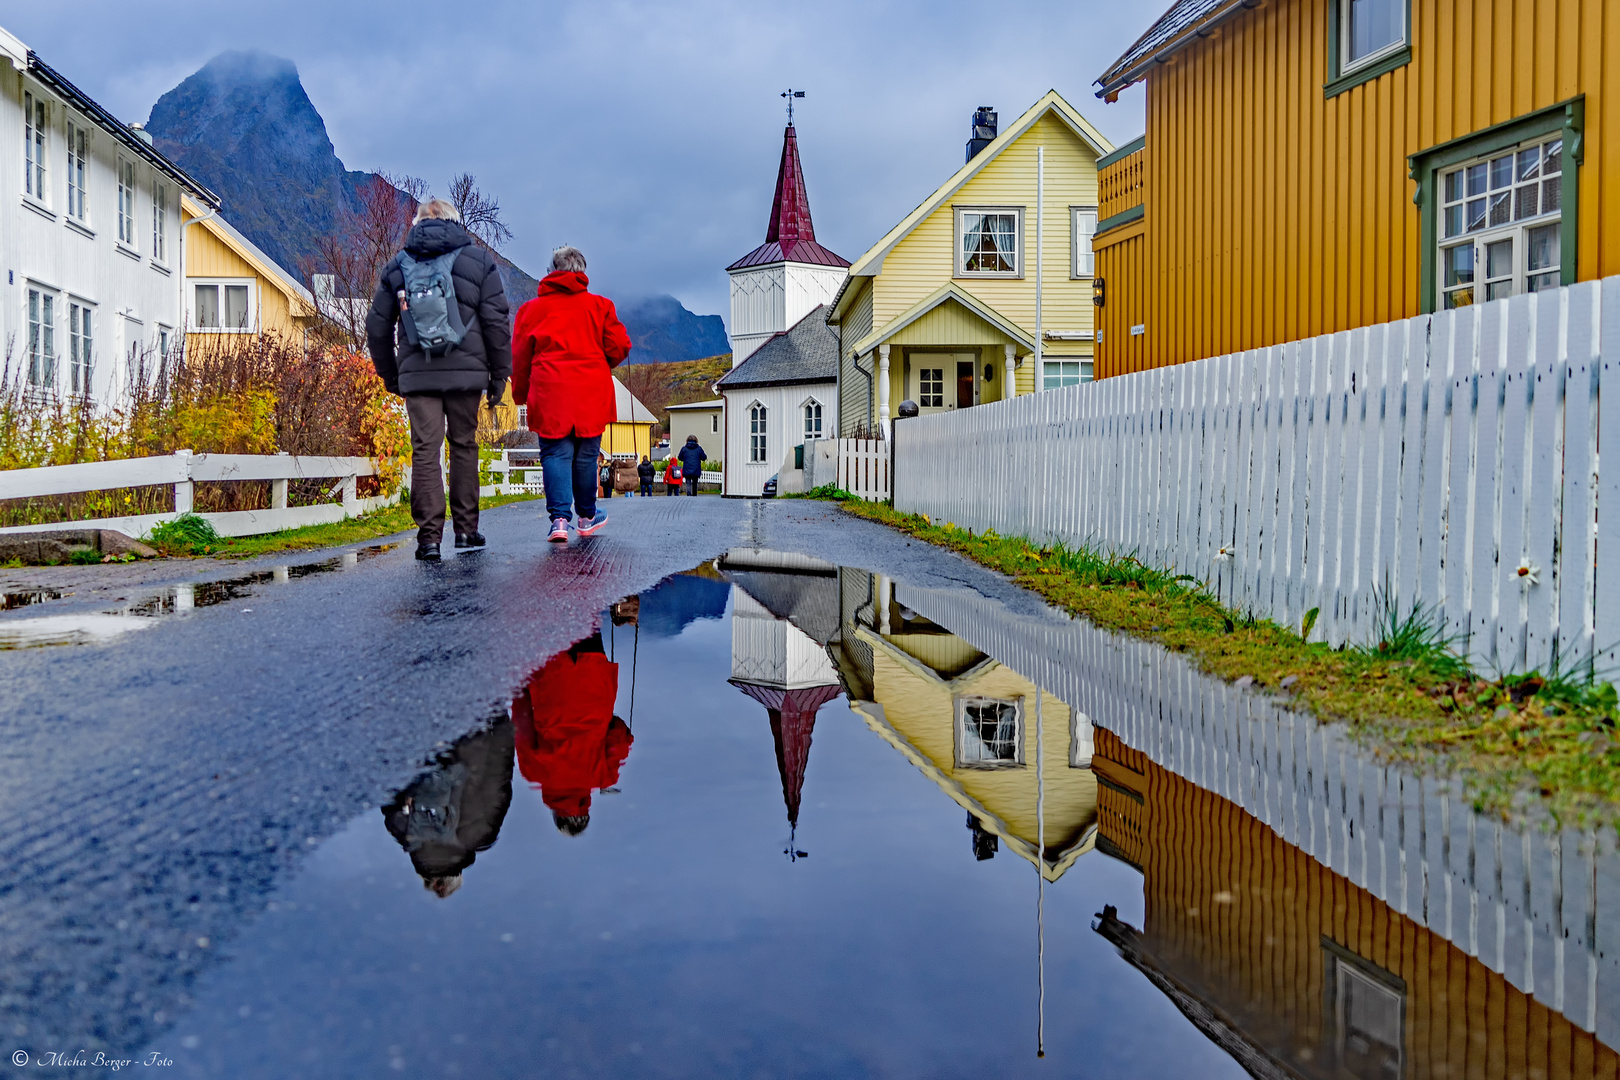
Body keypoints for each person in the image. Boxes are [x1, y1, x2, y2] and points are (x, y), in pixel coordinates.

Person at [367, 199, 511, 562]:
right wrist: (499, 375)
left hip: (418, 374)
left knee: (425, 451)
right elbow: (496, 322)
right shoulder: (477, 261)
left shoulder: (397, 265)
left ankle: (429, 539)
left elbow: (377, 327)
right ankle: (465, 531)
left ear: (417, 223)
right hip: (466, 374)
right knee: (463, 445)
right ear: (454, 222)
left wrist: (391, 375)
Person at [510, 246, 633, 543]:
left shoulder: (531, 311)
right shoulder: (601, 306)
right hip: (591, 392)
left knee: (555, 454)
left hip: (550, 392)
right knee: (586, 456)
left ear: (552, 271)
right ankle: (587, 517)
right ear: (582, 271)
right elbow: (620, 347)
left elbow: (520, 357)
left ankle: (560, 522)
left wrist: (521, 394)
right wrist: (600, 361)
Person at [511, 631, 633, 836]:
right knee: (545, 615)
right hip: (550, 674)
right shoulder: (534, 772)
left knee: (584, 613)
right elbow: (521, 720)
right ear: (555, 814)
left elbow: (620, 735)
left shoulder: (604, 776)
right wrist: (524, 678)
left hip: (592, 672)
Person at [381, 719, 515, 898]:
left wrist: (500, 722)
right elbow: (386, 782)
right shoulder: (405, 833)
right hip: (419, 745)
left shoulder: (479, 834)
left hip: (469, 737)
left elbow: (498, 778)